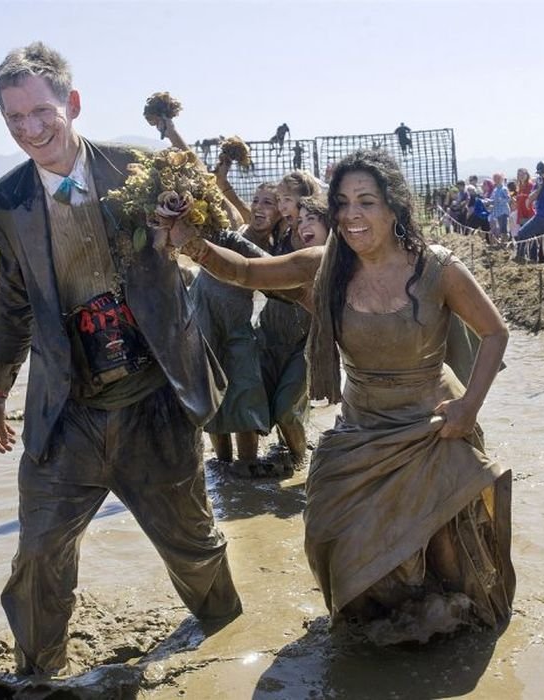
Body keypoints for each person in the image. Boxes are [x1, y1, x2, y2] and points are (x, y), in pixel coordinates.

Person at [163, 150, 515, 641]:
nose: (352, 215)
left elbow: (495, 334)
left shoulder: (438, 269)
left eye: (367, 201)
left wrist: (467, 408)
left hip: (433, 427)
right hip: (361, 428)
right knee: (331, 532)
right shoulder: (322, 266)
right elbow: (246, 273)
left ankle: (450, 644)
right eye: (344, 202)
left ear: (394, 207)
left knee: (444, 553)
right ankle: (381, 633)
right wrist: (194, 247)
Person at [0, 42, 241, 676]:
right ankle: (37, 676)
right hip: (67, 407)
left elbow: (220, 240)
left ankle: (230, 647)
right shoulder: (4, 204)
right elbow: (15, 299)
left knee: (193, 547)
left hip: (154, 397)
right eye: (14, 120)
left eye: (41, 112)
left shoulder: (142, 172)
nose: (30, 130)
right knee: (39, 550)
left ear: (71, 104)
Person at [188, 183, 281, 475]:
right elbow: (215, 189)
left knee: (246, 385)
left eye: (268, 203)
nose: (259, 207)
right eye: (256, 201)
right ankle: (222, 465)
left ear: (282, 212)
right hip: (203, 311)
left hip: (237, 320)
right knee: (210, 386)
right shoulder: (237, 229)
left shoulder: (277, 250)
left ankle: (247, 463)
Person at [255, 196, 329, 471]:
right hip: (269, 336)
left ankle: (302, 467)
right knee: (264, 406)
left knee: (286, 410)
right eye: (299, 221)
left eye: (311, 219)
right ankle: (288, 453)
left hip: (306, 345)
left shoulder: (342, 260)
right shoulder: (285, 245)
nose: (302, 226)